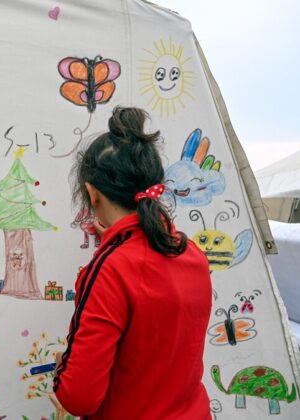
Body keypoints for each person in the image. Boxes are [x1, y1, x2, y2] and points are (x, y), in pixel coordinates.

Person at [52, 107, 212, 419]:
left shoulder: (112, 268)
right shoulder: (190, 254)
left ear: (90, 193)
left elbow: (79, 398)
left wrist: (64, 370)